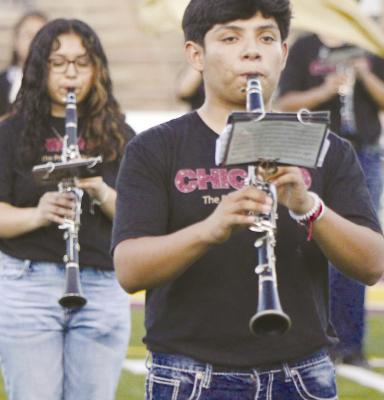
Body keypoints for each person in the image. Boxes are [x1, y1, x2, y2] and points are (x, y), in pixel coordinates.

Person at [112, 0, 384, 398]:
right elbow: (129, 271)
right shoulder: (154, 148)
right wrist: (210, 229)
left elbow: (373, 265)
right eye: (230, 37)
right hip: (190, 377)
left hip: (302, 376)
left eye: (267, 37)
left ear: (284, 53)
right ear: (195, 55)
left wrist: (308, 206)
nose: (252, 50)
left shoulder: (329, 148)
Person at [0, 18, 134, 400]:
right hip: (28, 287)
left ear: (97, 69)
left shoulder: (118, 134)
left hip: (101, 285)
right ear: (40, 68)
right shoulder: (9, 133)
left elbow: (136, 216)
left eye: (82, 63)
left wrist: (99, 189)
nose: (71, 74)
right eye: (58, 63)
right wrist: (40, 213)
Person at [276, 32, 384, 367]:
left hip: (362, 153)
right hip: (314, 152)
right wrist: (327, 89)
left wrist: (362, 73)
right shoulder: (306, 46)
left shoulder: (369, 40)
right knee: (309, 242)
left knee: (355, 245)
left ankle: (349, 344)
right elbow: (285, 102)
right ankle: (310, 337)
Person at [0, 11, 47, 128]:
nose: (34, 42)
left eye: (41, 36)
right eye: (28, 35)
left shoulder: (56, 82)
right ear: (15, 40)